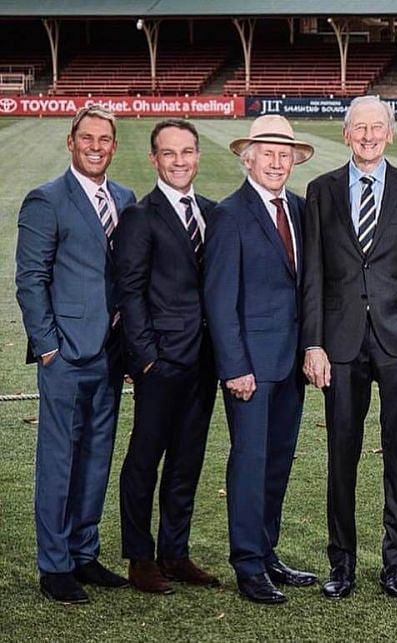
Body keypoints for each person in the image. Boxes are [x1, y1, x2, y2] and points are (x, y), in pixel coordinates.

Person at [302, 95, 397, 600]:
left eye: (377, 127)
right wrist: (314, 344)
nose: (368, 136)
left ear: (390, 134)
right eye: (359, 128)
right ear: (346, 134)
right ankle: (341, 565)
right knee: (341, 457)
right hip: (341, 345)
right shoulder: (321, 192)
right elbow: (313, 279)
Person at [15, 105, 135, 604]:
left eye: (104, 139)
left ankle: (85, 552)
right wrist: (47, 348)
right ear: (71, 142)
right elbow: (31, 279)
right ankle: (55, 563)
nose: (95, 146)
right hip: (65, 355)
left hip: (111, 354)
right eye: (87, 137)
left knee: (96, 458)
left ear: (113, 145)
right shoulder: (46, 200)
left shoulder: (125, 199)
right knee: (60, 458)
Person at [203, 115, 317, 604]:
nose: (276, 161)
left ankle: (267, 552)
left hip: (291, 365)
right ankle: (247, 564)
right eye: (266, 153)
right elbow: (219, 299)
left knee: (276, 462)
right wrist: (235, 367)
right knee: (250, 463)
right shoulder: (230, 214)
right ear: (247, 158)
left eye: (283, 153)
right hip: (250, 366)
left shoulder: (300, 208)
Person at [113, 119, 219, 594]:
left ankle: (174, 553)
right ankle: (140, 557)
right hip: (162, 362)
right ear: (154, 159)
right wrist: (146, 359)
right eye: (169, 153)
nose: (180, 161)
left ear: (198, 156)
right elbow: (129, 291)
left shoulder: (211, 213)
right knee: (144, 459)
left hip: (205, 362)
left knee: (187, 460)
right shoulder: (140, 216)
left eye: (188, 151)